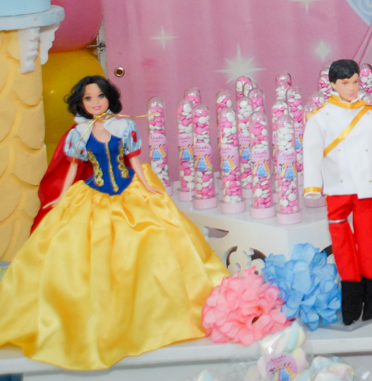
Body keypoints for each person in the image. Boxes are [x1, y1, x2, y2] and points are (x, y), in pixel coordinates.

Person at [0, 76, 228, 370]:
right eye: (88, 99)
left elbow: (133, 159)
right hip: (95, 192)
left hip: (129, 189)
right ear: (81, 103)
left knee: (153, 240)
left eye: (100, 97)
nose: (95, 103)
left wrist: (146, 183)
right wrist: (60, 196)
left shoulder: (124, 126)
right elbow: (72, 167)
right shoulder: (79, 133)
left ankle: (159, 314)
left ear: (109, 98)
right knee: (85, 251)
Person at [303, 58, 372, 324]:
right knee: (342, 246)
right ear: (333, 84)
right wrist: (312, 185)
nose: (351, 87)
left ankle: (371, 299)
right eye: (345, 83)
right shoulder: (320, 118)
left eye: (355, 82)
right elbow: (311, 153)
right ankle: (350, 300)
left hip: (366, 188)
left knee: (370, 244)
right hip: (336, 188)